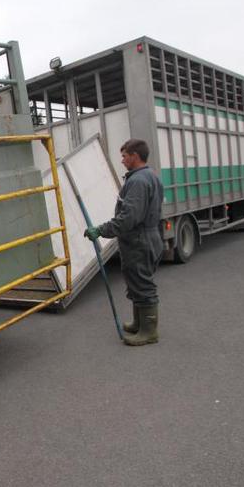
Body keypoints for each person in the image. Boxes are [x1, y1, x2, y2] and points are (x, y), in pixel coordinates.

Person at [83, 139, 164, 346]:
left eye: (124, 156)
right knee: (137, 282)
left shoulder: (138, 181)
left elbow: (128, 218)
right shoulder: (149, 176)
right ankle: (140, 324)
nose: (122, 160)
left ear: (135, 156)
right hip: (145, 237)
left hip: (139, 240)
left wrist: (100, 231)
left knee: (142, 284)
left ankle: (149, 332)